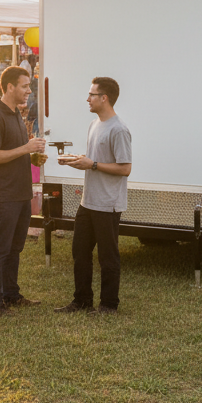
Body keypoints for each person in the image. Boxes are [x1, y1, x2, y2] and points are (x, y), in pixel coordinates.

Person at [56, 77, 132, 314]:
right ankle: (82, 300)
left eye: (91, 94)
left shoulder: (119, 130)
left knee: (108, 257)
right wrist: (76, 161)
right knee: (79, 252)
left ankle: (109, 305)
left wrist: (93, 165)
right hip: (87, 202)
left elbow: (125, 168)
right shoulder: (94, 124)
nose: (87, 99)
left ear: (104, 98)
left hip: (107, 204)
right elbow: (94, 160)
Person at [0, 66, 47, 316]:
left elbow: (15, 149)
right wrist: (25, 149)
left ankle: (11, 294)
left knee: (15, 248)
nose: (29, 90)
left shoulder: (16, 114)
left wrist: (32, 158)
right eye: (25, 86)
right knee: (0, 249)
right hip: (4, 194)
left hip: (21, 192)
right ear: (9, 87)